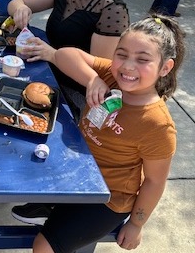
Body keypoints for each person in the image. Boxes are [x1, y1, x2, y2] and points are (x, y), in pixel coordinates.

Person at [20, 14, 185, 253]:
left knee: (43, 246)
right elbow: (64, 54)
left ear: (165, 67)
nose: (128, 66)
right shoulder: (110, 75)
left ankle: (54, 210)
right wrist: (92, 80)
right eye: (122, 54)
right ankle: (51, 206)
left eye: (142, 59)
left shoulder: (157, 124)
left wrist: (137, 224)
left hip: (107, 199)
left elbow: (154, 181)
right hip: (76, 173)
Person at [7, 0, 129, 123]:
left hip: (74, 100)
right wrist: (21, 9)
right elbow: (16, 2)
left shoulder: (112, 9)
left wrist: (53, 55)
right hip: (45, 76)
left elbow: (99, 78)